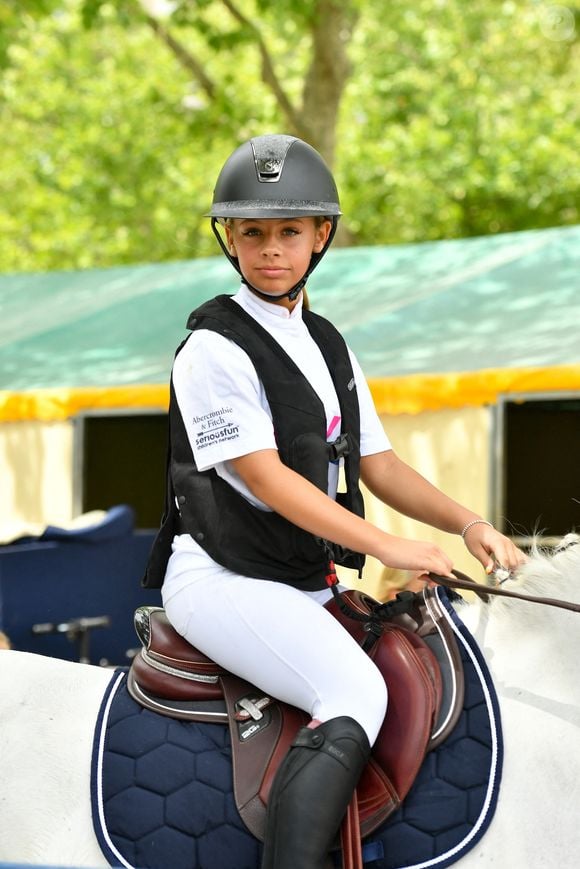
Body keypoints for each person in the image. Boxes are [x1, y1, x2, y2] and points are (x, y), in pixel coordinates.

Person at [143, 134, 525, 869]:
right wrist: (388, 546)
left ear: (321, 236)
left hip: (295, 583)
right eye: (251, 232)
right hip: (221, 581)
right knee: (355, 688)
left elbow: (377, 463)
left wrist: (468, 522)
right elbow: (267, 478)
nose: (270, 250)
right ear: (230, 238)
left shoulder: (326, 343)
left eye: (289, 231)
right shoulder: (213, 348)